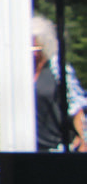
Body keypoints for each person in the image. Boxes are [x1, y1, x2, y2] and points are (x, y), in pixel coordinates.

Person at [31, 16, 86, 151]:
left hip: (57, 147)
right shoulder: (22, 73)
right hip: (30, 147)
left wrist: (84, 139)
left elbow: (76, 106)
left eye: (34, 44)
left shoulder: (57, 68)